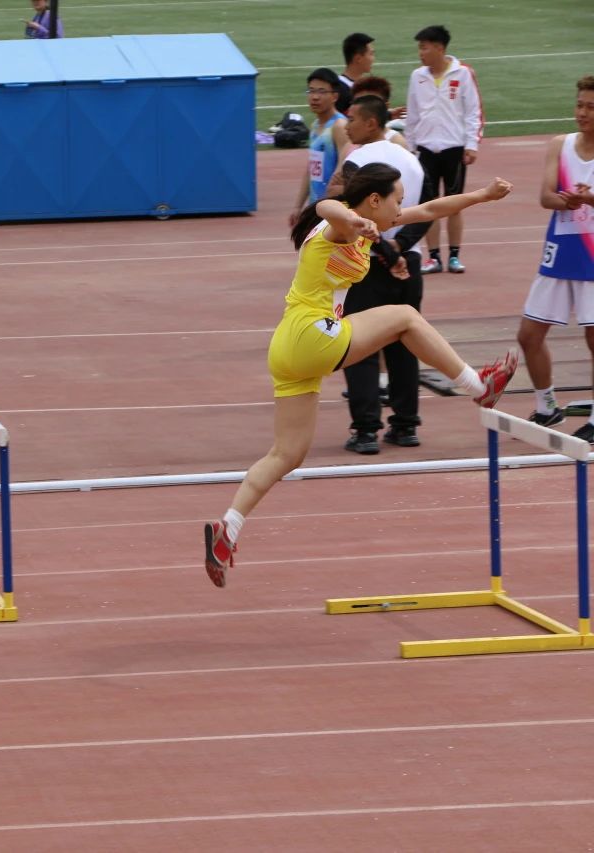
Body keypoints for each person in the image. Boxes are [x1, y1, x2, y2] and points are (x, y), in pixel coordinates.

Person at [203, 164, 516, 588]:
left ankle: (228, 528)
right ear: (373, 200)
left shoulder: (372, 226)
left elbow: (430, 210)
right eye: (396, 200)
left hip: (289, 348)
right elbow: (327, 207)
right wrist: (353, 220)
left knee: (287, 455)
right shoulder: (342, 226)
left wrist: (481, 195)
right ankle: (479, 386)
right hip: (311, 334)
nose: (400, 209)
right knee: (405, 317)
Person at [338, 95, 430, 454]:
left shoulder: (357, 161)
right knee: (405, 343)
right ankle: (405, 425)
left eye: (353, 119)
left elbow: (355, 215)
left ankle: (365, 430)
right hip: (409, 260)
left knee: (360, 344)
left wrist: (385, 252)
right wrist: (401, 246)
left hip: (367, 263)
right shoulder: (413, 160)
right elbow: (428, 211)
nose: (347, 126)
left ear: (371, 123)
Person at [516, 77, 594, 439]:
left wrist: (588, 198)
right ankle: (547, 407)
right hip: (560, 250)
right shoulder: (559, 145)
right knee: (529, 334)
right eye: (580, 104)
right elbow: (546, 197)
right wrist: (568, 199)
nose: (582, 112)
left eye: (591, 107)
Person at [406, 25, 483, 275]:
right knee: (428, 205)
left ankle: (454, 256)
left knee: (454, 204)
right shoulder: (417, 76)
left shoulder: (463, 74)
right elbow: (412, 115)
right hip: (426, 149)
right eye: (420, 48)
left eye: (424, 47)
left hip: (454, 149)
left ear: (439, 48)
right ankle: (434, 258)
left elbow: (473, 111)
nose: (421, 53)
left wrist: (471, 145)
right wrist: (409, 148)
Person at [288, 68, 348, 228]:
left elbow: (345, 167)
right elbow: (311, 169)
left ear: (335, 96)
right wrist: (298, 206)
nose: (315, 97)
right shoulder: (315, 126)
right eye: (311, 91)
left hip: (334, 209)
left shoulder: (339, 126)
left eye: (322, 92)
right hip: (317, 208)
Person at [336, 32, 375, 114]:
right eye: (371, 54)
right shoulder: (341, 90)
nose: (373, 59)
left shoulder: (365, 85)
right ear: (358, 58)